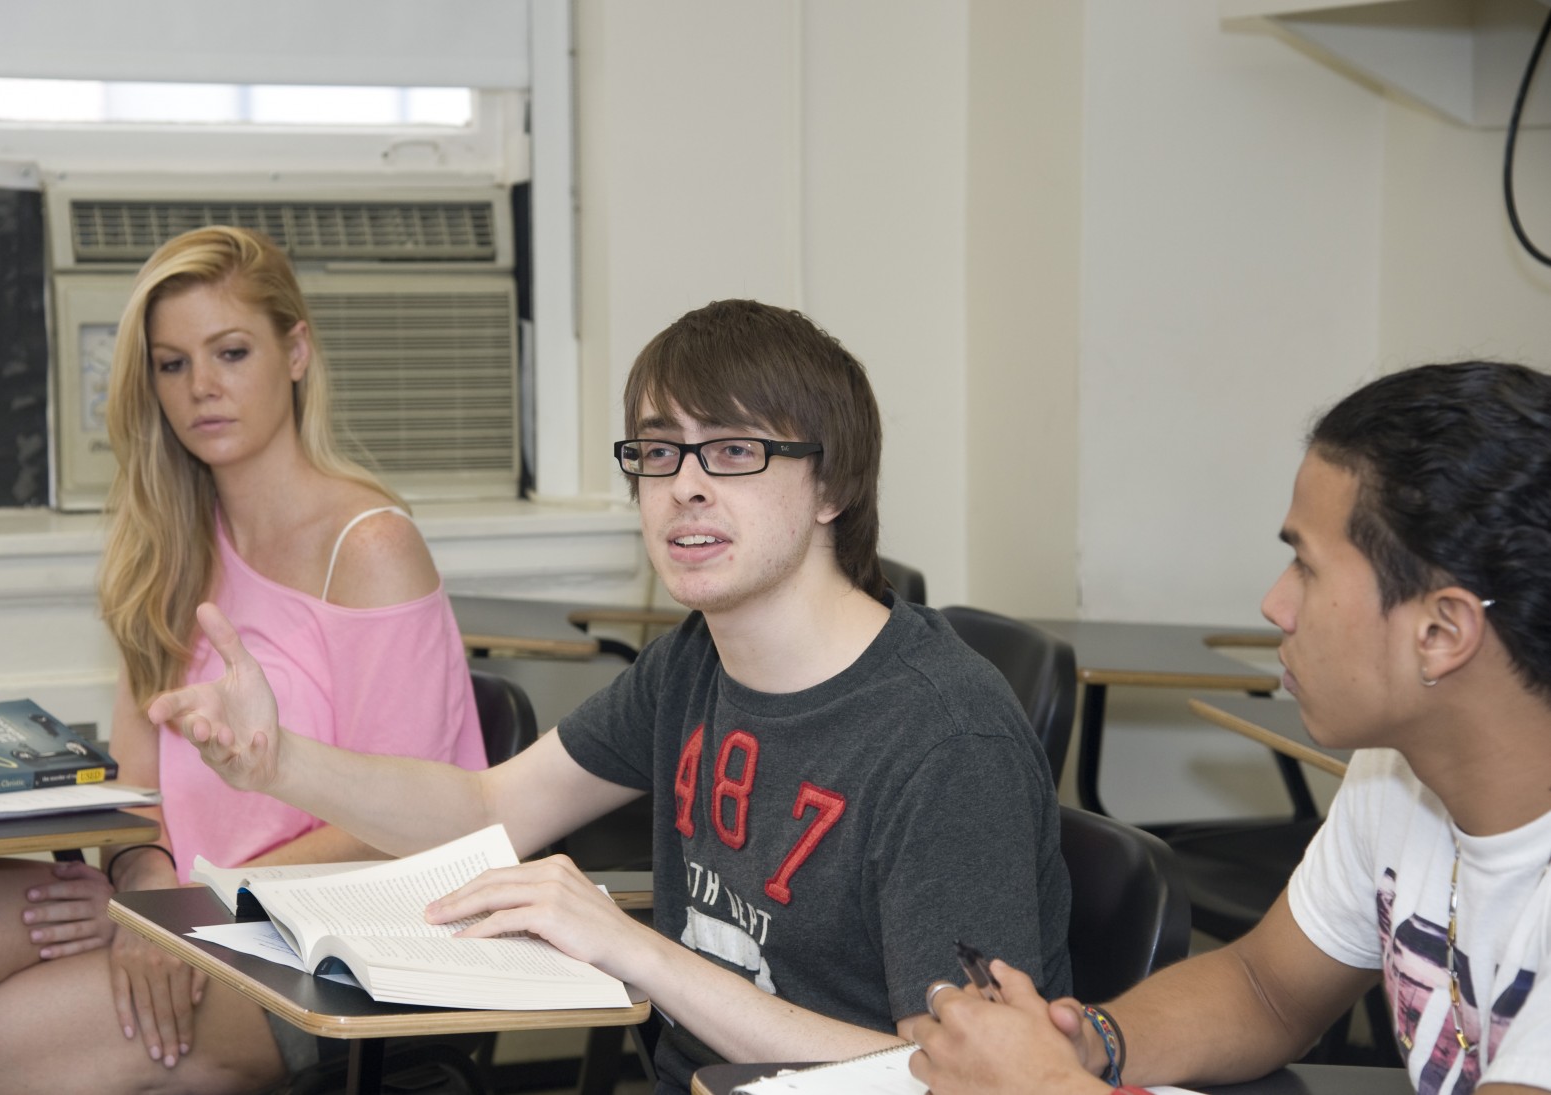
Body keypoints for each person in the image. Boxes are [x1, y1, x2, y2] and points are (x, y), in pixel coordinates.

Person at [151, 298, 1073, 1094]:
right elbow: (486, 806)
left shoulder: (949, 741)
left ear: (831, 483)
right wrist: (280, 762)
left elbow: (951, 1078)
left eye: (735, 450)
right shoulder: (695, 664)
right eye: (660, 453)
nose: (686, 488)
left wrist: (633, 948)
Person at [0, 226, 486, 1095]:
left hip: (326, 937)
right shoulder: (165, 551)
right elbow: (140, 801)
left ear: (295, 352)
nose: (202, 387)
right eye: (172, 364)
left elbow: (398, 825)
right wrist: (142, 891)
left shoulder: (370, 547)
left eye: (231, 351)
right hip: (181, 908)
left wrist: (183, 911)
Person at [908, 360, 1551, 1095]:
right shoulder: (1399, 771)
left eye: (1306, 567)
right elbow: (1265, 987)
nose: (1277, 604)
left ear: (1441, 631)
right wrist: (1089, 1046)